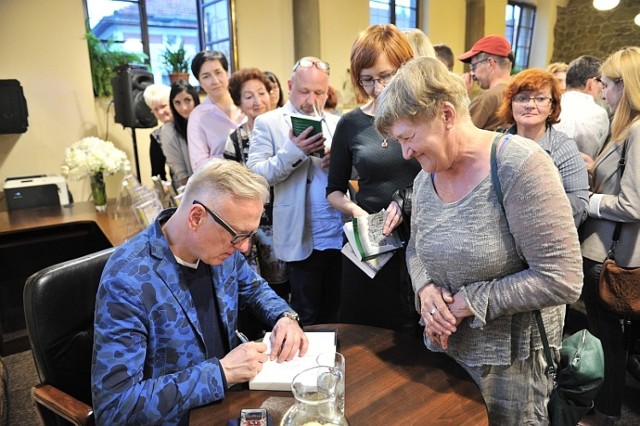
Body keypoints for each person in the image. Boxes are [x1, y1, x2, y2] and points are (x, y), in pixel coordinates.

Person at [375, 57, 583, 424]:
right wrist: (425, 290)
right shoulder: (426, 177)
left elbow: (562, 278)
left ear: (446, 114)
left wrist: (466, 303)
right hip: (444, 350)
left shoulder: (519, 166)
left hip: (510, 368)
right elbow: (417, 247)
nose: (405, 153)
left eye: (408, 138)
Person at [92, 159, 308, 425]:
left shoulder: (221, 251)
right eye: (237, 235)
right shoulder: (128, 280)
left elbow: (253, 288)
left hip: (228, 403)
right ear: (196, 217)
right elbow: (115, 408)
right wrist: (222, 373)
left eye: (249, 235)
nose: (243, 248)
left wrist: (284, 316)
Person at [327, 23, 421, 334]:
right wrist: (357, 213)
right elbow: (335, 190)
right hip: (367, 237)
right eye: (367, 79)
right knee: (361, 326)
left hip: (416, 234)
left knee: (410, 326)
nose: (377, 88)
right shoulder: (351, 124)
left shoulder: (423, 118)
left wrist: (405, 202)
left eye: (385, 77)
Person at [247, 57, 343, 326]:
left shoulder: (338, 124)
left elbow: (357, 175)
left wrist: (340, 164)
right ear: (290, 85)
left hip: (338, 233)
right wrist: (293, 151)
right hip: (300, 233)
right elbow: (255, 175)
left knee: (337, 310)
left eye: (319, 93)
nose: (310, 100)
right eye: (303, 91)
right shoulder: (268, 122)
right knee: (307, 311)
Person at [579, 46, 640, 426]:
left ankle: (605, 413)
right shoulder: (625, 129)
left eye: (607, 82)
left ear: (625, 85)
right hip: (608, 251)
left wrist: (589, 200)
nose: (602, 90)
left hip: (610, 255)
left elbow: (633, 204)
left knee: (608, 341)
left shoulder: (636, 131)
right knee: (608, 338)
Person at [223, 67, 290, 301]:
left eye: (262, 93)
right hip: (256, 224)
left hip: (289, 216)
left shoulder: (286, 131)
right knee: (267, 288)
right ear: (239, 103)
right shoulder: (234, 141)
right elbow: (231, 189)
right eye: (248, 96)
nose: (257, 101)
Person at [496, 68, 589, 228]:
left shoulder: (563, 147)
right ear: (511, 104)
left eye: (540, 99)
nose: (530, 105)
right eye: (522, 98)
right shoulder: (497, 143)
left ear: (552, 107)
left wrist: (539, 201)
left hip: (545, 234)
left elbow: (580, 204)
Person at [187, 51, 246, 170]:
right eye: (206, 76)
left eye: (218, 73)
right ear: (200, 82)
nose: (215, 81)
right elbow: (199, 166)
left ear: (227, 73)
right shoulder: (198, 116)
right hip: (222, 184)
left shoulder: (245, 103)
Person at [553, 55, 609, 162]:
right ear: (591, 84)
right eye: (602, 82)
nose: (602, 88)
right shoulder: (599, 113)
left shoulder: (551, 105)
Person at [458, 35, 513, 130]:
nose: (472, 73)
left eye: (473, 67)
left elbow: (459, 133)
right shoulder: (518, 93)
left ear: (490, 63)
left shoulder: (487, 98)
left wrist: (461, 95)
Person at [161, 79, 200, 188]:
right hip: (194, 190)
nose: (183, 107)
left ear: (195, 99)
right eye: (177, 103)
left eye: (187, 100)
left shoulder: (207, 121)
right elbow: (182, 176)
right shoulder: (169, 131)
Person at [143, 84, 172, 180]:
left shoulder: (191, 125)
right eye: (155, 109)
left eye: (163, 106)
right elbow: (157, 174)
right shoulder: (156, 136)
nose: (160, 112)